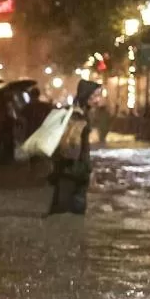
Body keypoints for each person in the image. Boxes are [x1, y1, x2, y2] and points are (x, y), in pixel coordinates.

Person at [49, 81, 102, 216]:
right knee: (69, 211)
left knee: (64, 210)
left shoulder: (79, 113)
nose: (98, 100)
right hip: (73, 169)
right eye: (95, 96)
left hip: (72, 169)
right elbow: (73, 145)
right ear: (86, 96)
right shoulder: (77, 115)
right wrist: (85, 168)